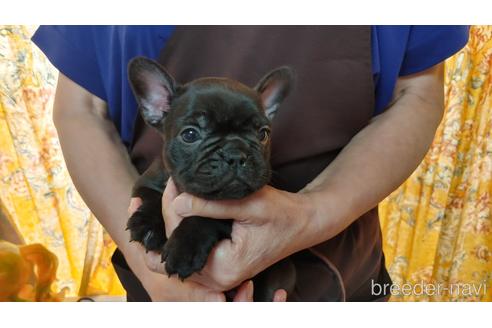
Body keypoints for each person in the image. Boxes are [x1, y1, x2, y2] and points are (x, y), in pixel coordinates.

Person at [32, 25, 469, 301]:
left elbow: (417, 93)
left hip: (336, 267)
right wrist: (157, 272)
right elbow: (82, 110)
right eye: (194, 134)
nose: (233, 155)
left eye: (255, 134)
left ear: (269, 115)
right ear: (156, 108)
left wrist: (315, 212)